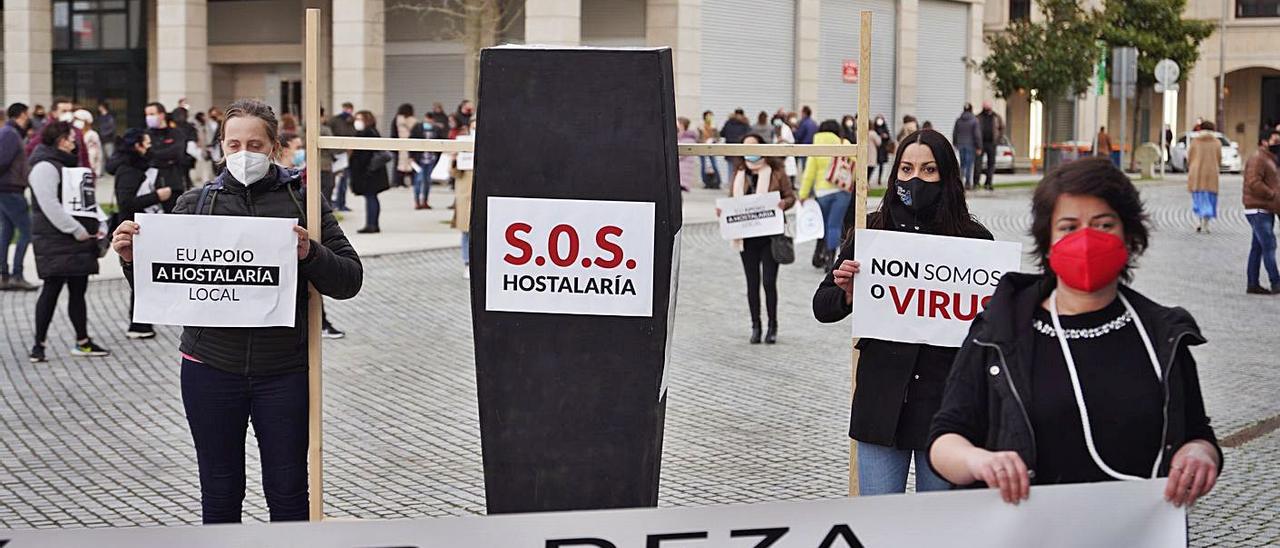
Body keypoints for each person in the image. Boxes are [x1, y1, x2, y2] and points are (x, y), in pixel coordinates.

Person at [111, 99, 362, 524]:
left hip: (284, 371)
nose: (243, 152)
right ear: (220, 147)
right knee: (220, 492)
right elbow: (162, 293)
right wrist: (134, 259)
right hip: (209, 368)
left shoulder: (303, 200)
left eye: (255, 143)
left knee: (287, 494)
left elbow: (349, 280)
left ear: (275, 146)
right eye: (234, 144)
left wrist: (310, 252)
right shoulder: (195, 203)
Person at [929, 157, 1221, 509]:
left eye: (1103, 224)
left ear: (1128, 236)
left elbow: (1198, 433)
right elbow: (945, 440)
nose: (1085, 239)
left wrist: (1200, 454)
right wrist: (979, 461)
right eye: (1068, 227)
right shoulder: (999, 332)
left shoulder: (1163, 334)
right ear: (1048, 243)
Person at [813, 129, 992, 495]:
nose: (915, 179)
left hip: (946, 409)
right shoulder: (872, 232)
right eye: (906, 169)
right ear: (894, 175)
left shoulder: (975, 242)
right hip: (881, 404)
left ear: (946, 176)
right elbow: (822, 305)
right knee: (878, 526)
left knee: (937, 528)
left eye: (928, 170)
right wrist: (847, 295)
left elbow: (991, 327)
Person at [28, 121, 110, 363]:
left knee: (78, 290)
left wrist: (100, 223)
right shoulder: (45, 166)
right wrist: (76, 229)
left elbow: (85, 201)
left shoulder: (68, 165)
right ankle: (38, 344)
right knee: (51, 290)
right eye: (70, 137)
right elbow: (49, 205)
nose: (75, 142)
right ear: (60, 140)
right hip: (58, 239)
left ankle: (82, 341)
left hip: (76, 240)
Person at [720, 133, 796, 344]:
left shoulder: (776, 171)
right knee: (751, 283)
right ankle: (756, 325)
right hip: (746, 237)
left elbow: (791, 196)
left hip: (770, 236)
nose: (750, 152)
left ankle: (772, 326)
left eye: (754, 146)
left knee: (769, 282)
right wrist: (724, 212)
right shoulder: (739, 173)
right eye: (745, 147)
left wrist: (784, 203)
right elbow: (731, 200)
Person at [107, 128, 170, 339]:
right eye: (147, 142)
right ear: (137, 146)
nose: (150, 146)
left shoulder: (142, 166)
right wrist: (156, 196)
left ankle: (143, 321)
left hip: (144, 227)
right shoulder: (127, 169)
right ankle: (138, 323)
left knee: (144, 277)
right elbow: (126, 202)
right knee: (139, 277)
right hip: (132, 230)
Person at [799, 120, 853, 269]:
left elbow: (809, 173)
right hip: (842, 190)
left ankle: (821, 255)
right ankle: (830, 260)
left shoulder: (816, 146)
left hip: (822, 192)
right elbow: (855, 166)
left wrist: (803, 194)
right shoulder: (845, 144)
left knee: (823, 225)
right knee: (834, 226)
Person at [0, 103, 37, 291]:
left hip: (9, 189)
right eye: (28, 114)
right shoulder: (10, 134)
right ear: (22, 114)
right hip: (11, 190)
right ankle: (16, 274)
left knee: (6, 232)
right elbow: (2, 161)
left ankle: (4, 275)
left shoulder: (10, 133)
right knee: (27, 232)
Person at [1243, 131, 1280, 295]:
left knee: (1257, 248)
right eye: (1275, 140)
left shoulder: (1269, 159)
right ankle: (1276, 282)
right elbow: (1253, 182)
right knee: (1269, 245)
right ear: (1264, 142)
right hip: (1259, 209)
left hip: (1265, 208)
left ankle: (1252, 283)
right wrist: (1271, 194)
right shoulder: (1259, 158)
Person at [349, 110, 390, 233]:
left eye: (360, 119)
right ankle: (373, 224)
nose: (357, 122)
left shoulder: (367, 133)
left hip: (369, 171)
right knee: (371, 197)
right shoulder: (371, 131)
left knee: (370, 196)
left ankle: (371, 224)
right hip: (372, 171)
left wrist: (362, 168)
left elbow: (364, 154)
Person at [145, 102, 190, 210]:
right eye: (147, 115)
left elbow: (177, 153)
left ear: (161, 115)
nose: (149, 117)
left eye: (152, 114)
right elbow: (146, 155)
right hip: (151, 184)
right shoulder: (146, 135)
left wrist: (154, 154)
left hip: (174, 182)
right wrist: (164, 157)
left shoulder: (176, 133)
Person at [27, 99, 90, 168]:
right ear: (54, 113)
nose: (68, 114)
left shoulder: (76, 131)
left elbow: (84, 155)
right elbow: (30, 150)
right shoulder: (47, 130)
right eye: (64, 111)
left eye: (71, 111)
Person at [1187, 121, 1221, 233]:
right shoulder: (1216, 142)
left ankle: (1199, 221)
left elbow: (1190, 156)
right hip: (1211, 174)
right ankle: (1206, 223)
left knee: (1198, 198)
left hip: (1197, 173)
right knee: (1210, 199)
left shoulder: (1195, 141)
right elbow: (1219, 158)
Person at [452, 120, 476, 279]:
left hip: (479, 195)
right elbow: (454, 173)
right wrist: (454, 159)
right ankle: (467, 263)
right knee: (466, 232)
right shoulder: (463, 144)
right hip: (465, 195)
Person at [327, 103, 356, 212]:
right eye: (346, 108)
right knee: (335, 181)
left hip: (347, 154)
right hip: (336, 154)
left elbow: (354, 134)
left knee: (344, 181)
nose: (347, 111)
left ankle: (342, 203)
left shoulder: (352, 121)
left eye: (349, 109)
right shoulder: (335, 120)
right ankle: (334, 203)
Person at [952, 103, 982, 190]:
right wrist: (979, 146)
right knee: (969, 165)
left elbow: (955, 132)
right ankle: (968, 183)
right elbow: (977, 135)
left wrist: (955, 143)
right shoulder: (974, 120)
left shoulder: (958, 120)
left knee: (962, 165)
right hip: (970, 145)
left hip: (961, 145)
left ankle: (960, 182)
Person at [975, 101, 1003, 191]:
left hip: (992, 143)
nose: (987, 109)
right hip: (981, 143)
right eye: (985, 107)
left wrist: (998, 139)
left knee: (991, 164)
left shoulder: (996, 117)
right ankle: (976, 182)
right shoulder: (978, 117)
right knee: (978, 163)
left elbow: (1002, 128)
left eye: (988, 107)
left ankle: (988, 182)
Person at [392, 103, 418, 189]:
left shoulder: (397, 120)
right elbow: (416, 133)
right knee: (411, 163)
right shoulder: (414, 121)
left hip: (399, 144)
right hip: (411, 144)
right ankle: (413, 181)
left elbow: (393, 133)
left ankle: (398, 181)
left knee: (399, 163)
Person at [72, 109, 104, 177]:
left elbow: (99, 153)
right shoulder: (73, 133)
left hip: (89, 167)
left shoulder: (92, 134)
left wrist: (97, 170)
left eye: (78, 119)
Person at [720, 108, 752, 173]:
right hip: (740, 150)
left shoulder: (729, 122)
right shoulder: (745, 124)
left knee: (731, 170)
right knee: (740, 170)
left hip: (730, 149)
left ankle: (731, 182)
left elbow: (722, 133)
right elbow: (749, 136)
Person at [699, 111, 722, 189]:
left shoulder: (714, 126)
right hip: (702, 148)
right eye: (708, 116)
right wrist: (703, 141)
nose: (710, 118)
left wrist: (713, 140)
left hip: (711, 148)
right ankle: (706, 182)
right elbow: (697, 138)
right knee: (703, 166)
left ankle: (717, 182)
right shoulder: (700, 126)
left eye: (711, 116)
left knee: (714, 165)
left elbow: (718, 138)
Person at [794, 106, 819, 173]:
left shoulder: (803, 123)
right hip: (813, 147)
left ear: (804, 113)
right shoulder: (814, 123)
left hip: (804, 147)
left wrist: (794, 131)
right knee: (811, 167)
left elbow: (799, 135)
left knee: (805, 169)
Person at [677, 117, 698, 192]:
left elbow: (679, 154)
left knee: (678, 192)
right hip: (681, 170)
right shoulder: (681, 137)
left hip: (682, 171)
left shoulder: (687, 139)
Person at [873, 114, 893, 186]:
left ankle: (879, 179)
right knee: (872, 164)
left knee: (881, 165)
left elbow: (889, 137)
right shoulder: (874, 128)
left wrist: (885, 136)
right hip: (875, 149)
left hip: (883, 149)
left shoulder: (885, 128)